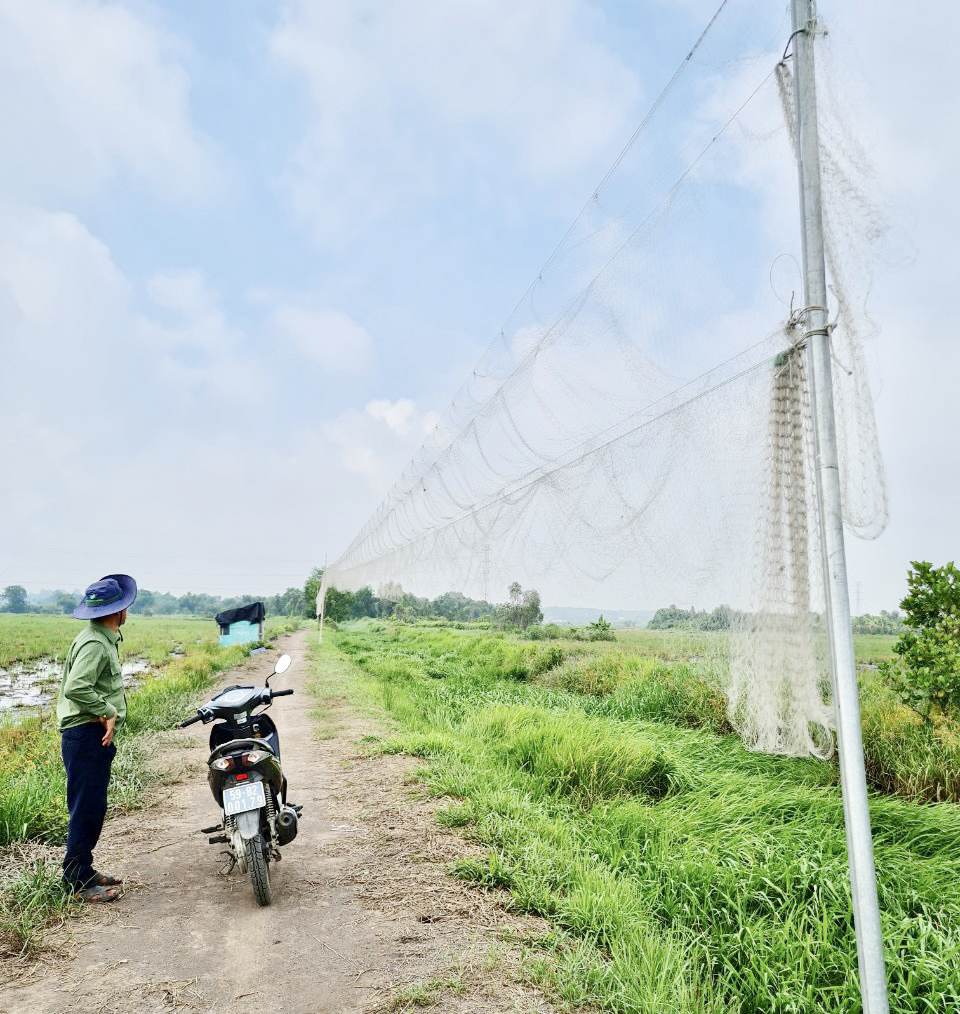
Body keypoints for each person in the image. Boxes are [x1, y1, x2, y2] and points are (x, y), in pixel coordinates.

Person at [56, 574, 137, 902]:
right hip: (86, 734)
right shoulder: (94, 642)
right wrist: (107, 710)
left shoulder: (101, 638)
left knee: (91, 808)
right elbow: (76, 687)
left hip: (90, 736)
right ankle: (76, 882)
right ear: (119, 611)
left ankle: (83, 870)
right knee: (86, 809)